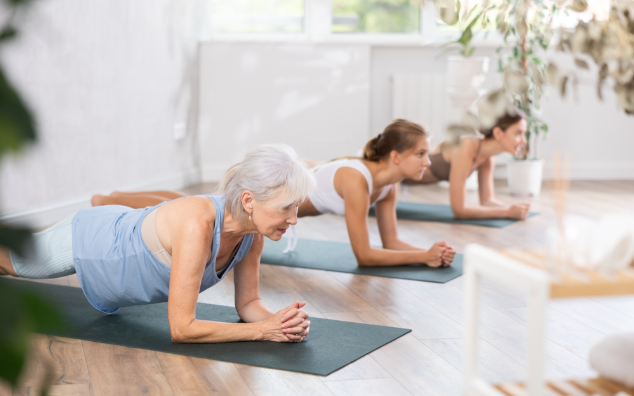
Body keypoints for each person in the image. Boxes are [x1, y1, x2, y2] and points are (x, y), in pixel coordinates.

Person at [0, 144, 314, 344]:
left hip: (124, 228)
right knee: (11, 264)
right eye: (286, 207)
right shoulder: (198, 225)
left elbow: (247, 305)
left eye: (296, 207)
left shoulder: (252, 237)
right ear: (248, 200)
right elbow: (182, 328)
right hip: (95, 242)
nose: (294, 218)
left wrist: (280, 322)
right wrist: (263, 331)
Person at [91, 120, 456, 268]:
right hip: (272, 187)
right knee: (184, 205)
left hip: (305, 175)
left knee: (186, 200)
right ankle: (110, 200)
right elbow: (363, 255)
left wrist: (428, 251)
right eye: (421, 154)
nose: (429, 161)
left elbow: (390, 240)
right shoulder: (357, 182)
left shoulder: (386, 186)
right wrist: (421, 256)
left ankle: (115, 196)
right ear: (396, 156)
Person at [407, 111, 531, 220]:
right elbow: (459, 211)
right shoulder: (465, 147)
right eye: (518, 133)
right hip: (400, 179)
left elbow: (487, 201)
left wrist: (512, 208)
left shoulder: (487, 157)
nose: (524, 140)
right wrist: (507, 212)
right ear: (498, 133)